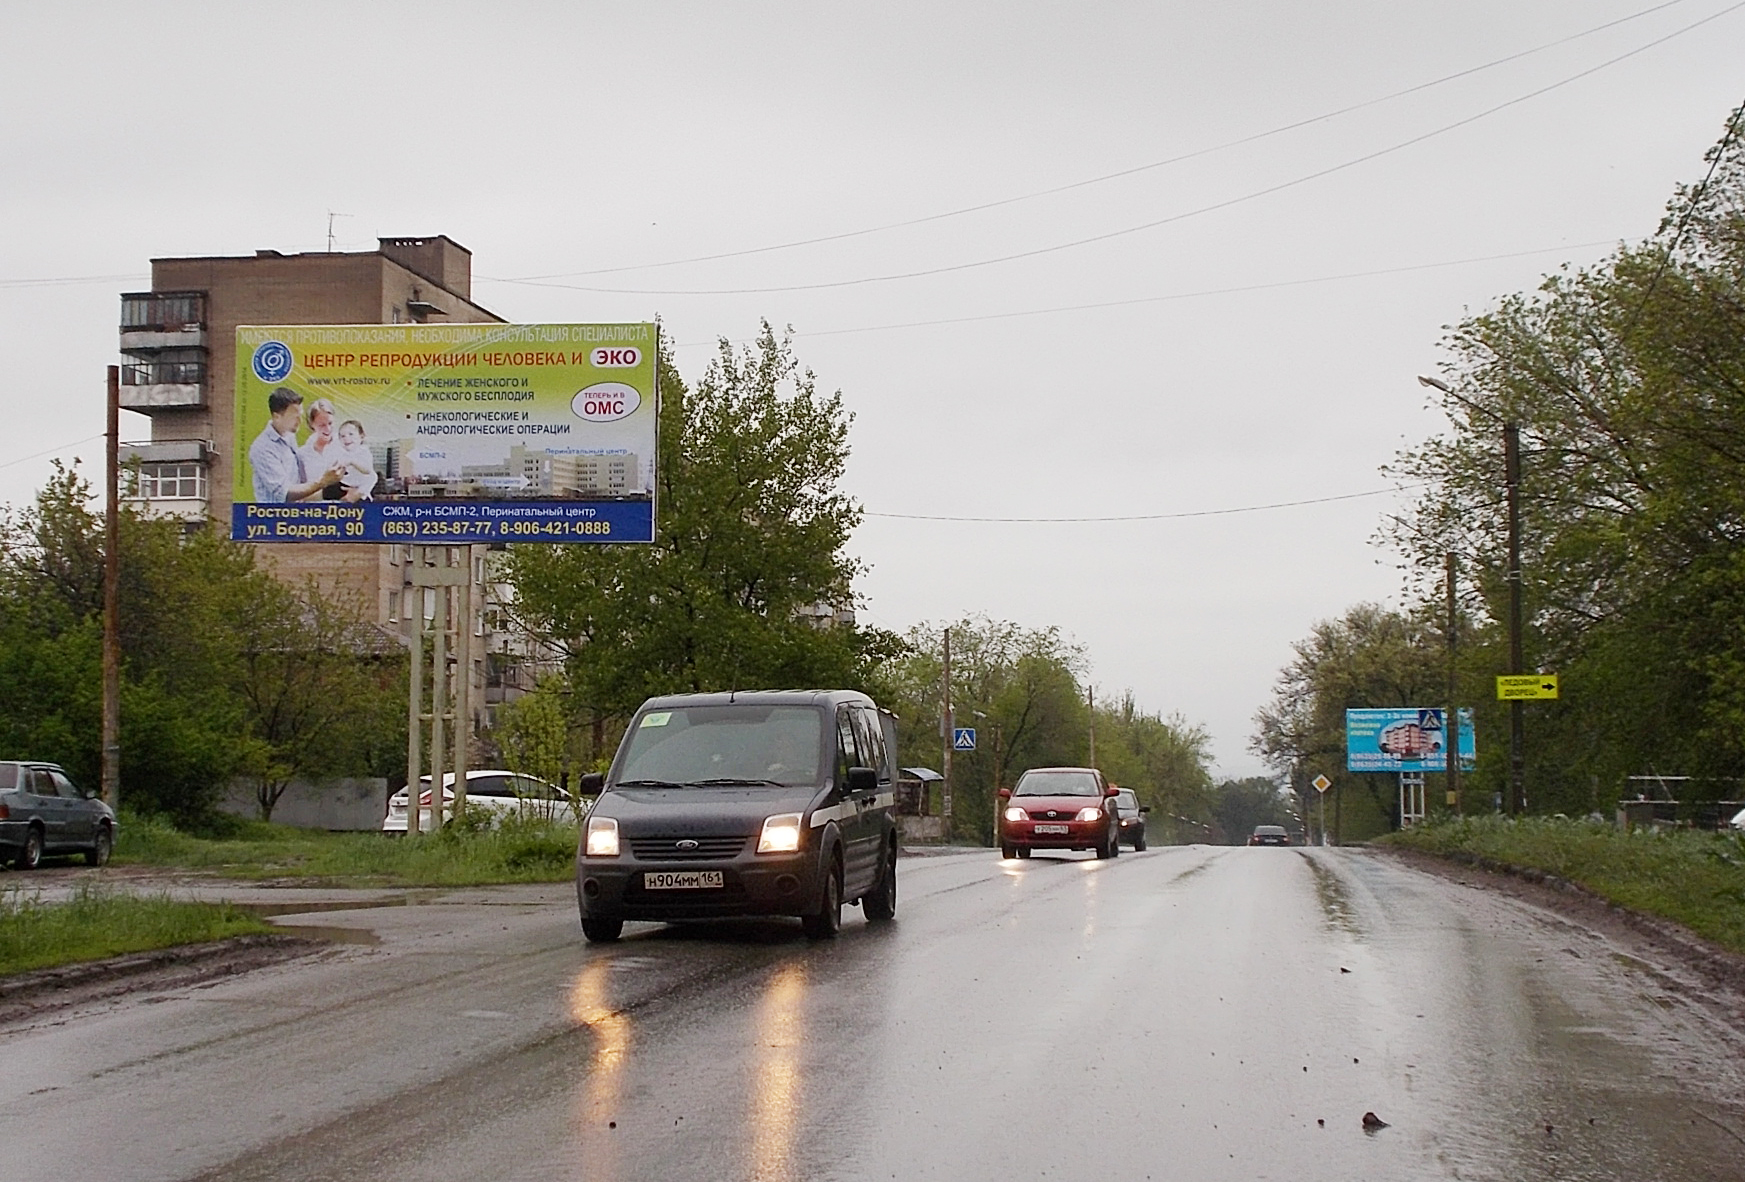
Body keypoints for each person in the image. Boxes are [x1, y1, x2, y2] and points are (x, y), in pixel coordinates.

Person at [248, 387, 341, 503]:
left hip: (296, 514)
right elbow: (284, 493)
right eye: (294, 417)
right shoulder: (262, 448)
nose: (300, 422)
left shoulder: (288, 435)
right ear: (277, 417)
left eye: (300, 416)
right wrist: (323, 481)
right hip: (274, 517)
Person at [298, 398, 344, 500]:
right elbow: (297, 495)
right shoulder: (302, 455)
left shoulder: (346, 445)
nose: (327, 429)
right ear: (311, 424)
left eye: (330, 423)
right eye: (322, 425)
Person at [332, 419, 378, 501]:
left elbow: (367, 470)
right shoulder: (341, 453)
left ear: (362, 436)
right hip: (344, 484)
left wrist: (352, 462)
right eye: (342, 436)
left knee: (373, 477)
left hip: (359, 487)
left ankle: (361, 496)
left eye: (351, 434)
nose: (346, 438)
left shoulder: (363, 451)